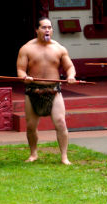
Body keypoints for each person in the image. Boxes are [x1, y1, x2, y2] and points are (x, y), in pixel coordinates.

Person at [16, 16, 76, 165]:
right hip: (33, 90)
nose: (47, 30)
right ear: (36, 30)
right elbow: (20, 70)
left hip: (53, 90)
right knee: (30, 126)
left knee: (61, 122)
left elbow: (69, 67)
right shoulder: (26, 48)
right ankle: (33, 154)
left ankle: (64, 156)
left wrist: (71, 76)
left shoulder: (59, 48)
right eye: (44, 27)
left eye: (49, 27)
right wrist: (25, 77)